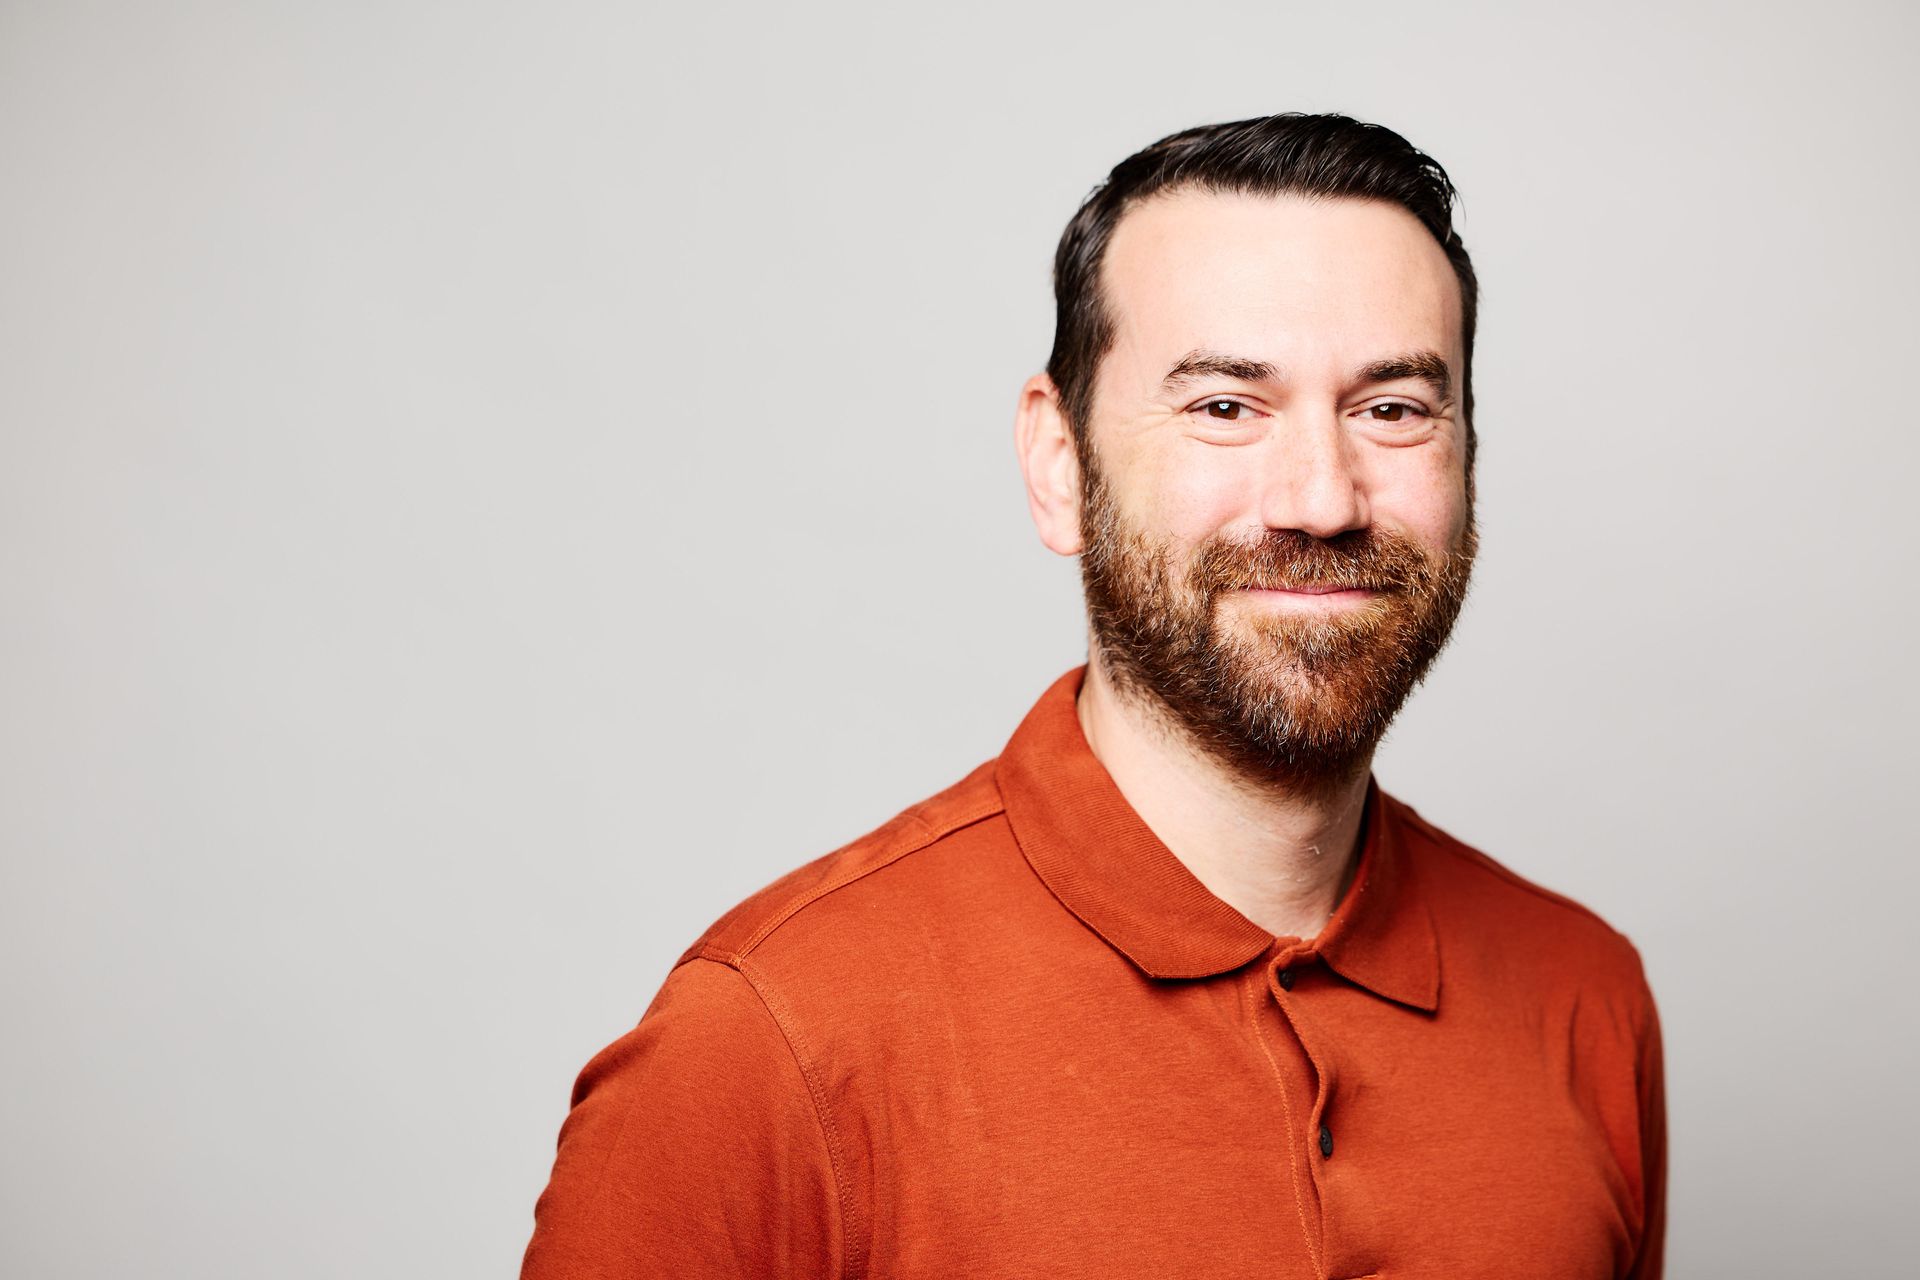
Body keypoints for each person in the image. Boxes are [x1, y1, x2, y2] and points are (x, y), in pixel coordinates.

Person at [520, 112, 1666, 1279]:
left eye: (1394, 409)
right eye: (1226, 405)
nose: (1323, 498)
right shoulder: (768, 1039)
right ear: (1060, 468)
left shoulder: (1584, 997)